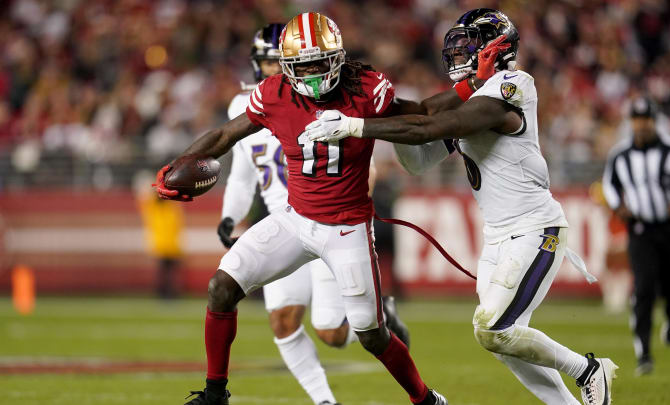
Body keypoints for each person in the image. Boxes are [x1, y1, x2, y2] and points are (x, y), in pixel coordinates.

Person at [304, 9, 618, 405]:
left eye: (468, 45)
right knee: (502, 339)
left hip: (536, 229)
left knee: (494, 329)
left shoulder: (512, 85)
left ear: (495, 49)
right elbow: (418, 156)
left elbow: (430, 125)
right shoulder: (480, 93)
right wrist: (380, 108)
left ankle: (587, 369)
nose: (458, 54)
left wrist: (357, 125)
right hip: (498, 236)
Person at [154, 12, 461, 405]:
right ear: (287, 67)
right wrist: (176, 163)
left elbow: (418, 116)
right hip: (295, 219)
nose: (313, 74)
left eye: (320, 63)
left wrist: (465, 95)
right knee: (221, 287)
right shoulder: (275, 92)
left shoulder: (366, 87)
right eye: (304, 66)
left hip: (347, 228)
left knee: (371, 335)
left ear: (338, 59)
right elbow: (225, 134)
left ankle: (426, 400)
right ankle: (215, 394)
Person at [217, 24, 407, 405]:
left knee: (331, 332)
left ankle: (380, 315)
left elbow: (359, 148)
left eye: (278, 62)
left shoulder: (325, 97)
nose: (274, 71)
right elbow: (242, 170)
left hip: (330, 219)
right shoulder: (248, 105)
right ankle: (324, 401)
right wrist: (229, 215)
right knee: (282, 323)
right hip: (283, 222)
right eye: (269, 62)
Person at [602, 96, 670, 376]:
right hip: (640, 229)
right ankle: (644, 354)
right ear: (631, 122)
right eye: (636, 120)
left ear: (654, 121)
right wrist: (617, 206)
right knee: (643, 289)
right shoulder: (620, 155)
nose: (641, 126)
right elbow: (610, 185)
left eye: (645, 120)